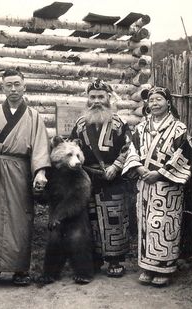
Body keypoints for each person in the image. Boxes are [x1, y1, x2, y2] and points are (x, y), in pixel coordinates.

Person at [0, 68, 51, 286]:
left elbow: (41, 148)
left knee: (21, 219)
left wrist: (40, 172)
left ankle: (20, 270)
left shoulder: (34, 116)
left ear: (24, 86)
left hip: (21, 170)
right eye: (9, 85)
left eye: (17, 84)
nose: (13, 89)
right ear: (2, 87)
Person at [122, 86, 192, 286]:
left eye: (158, 99)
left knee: (164, 224)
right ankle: (147, 267)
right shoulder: (141, 127)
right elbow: (132, 150)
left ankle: (164, 268)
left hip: (167, 185)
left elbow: (183, 155)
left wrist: (160, 173)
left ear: (168, 103)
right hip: (145, 184)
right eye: (151, 100)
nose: (154, 103)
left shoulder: (179, 128)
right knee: (146, 224)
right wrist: (141, 170)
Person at [69, 79, 132, 277]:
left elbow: (129, 148)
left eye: (101, 97)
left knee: (114, 218)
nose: (96, 101)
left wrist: (117, 166)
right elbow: (73, 146)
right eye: (92, 97)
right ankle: (94, 260)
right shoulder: (80, 124)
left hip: (113, 178)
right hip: (87, 177)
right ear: (88, 99)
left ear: (108, 98)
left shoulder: (120, 123)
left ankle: (114, 260)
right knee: (90, 219)